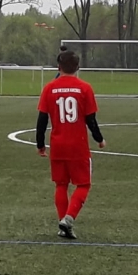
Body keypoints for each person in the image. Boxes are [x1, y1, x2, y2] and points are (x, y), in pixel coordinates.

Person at [36, 50, 105, 240]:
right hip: (78, 146)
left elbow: (42, 120)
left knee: (61, 184)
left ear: (58, 67)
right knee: (83, 184)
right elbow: (91, 119)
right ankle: (69, 218)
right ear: (78, 67)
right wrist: (99, 139)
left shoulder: (49, 88)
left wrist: (40, 143)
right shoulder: (85, 88)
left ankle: (62, 224)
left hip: (57, 145)